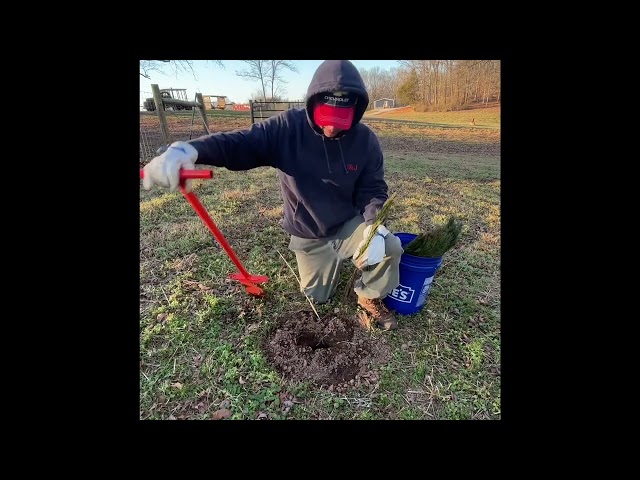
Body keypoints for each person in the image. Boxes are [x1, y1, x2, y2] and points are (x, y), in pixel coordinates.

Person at [142, 60, 403, 330]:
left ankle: (368, 296)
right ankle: (327, 264)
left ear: (356, 110)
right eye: (326, 118)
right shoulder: (287, 128)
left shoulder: (365, 141)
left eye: (341, 120)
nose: (332, 128)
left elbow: (373, 188)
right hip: (308, 231)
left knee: (389, 246)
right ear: (311, 103)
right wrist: (190, 150)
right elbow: (241, 143)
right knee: (318, 297)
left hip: (348, 224)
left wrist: (373, 226)